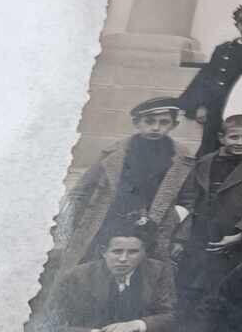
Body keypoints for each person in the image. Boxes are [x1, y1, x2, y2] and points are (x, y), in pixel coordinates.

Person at [27, 220, 196, 332]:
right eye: (117, 252)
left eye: (133, 252)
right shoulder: (77, 277)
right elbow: (48, 325)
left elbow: (171, 315)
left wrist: (136, 325)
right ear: (103, 252)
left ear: (144, 252)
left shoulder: (157, 271)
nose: (123, 259)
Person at [56, 97, 194, 275]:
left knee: (147, 277)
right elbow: (81, 191)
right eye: (149, 121)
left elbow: (189, 201)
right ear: (137, 123)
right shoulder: (114, 153)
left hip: (155, 230)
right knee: (95, 272)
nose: (156, 128)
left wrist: (178, 235)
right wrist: (69, 230)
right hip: (109, 222)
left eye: (164, 122)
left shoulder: (183, 159)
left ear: (174, 125)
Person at [173, 114, 242, 304]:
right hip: (202, 237)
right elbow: (190, 199)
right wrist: (182, 237)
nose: (240, 142)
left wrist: (240, 233)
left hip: (238, 241)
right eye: (233, 137)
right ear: (222, 138)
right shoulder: (206, 161)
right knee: (195, 288)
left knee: (232, 290)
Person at [178, 5, 242, 156]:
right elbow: (208, 77)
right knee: (210, 145)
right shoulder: (223, 49)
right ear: (237, 25)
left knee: (240, 145)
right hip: (218, 105)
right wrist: (201, 105)